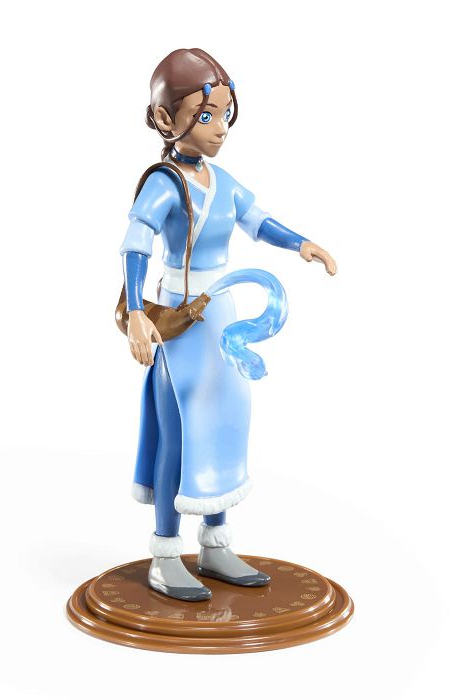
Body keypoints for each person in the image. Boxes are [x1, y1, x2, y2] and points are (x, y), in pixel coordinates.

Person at [119, 48, 337, 601]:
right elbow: (136, 242)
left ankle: (215, 542)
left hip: (221, 316)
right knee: (178, 429)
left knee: (224, 422)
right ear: (166, 118)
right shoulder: (165, 184)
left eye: (223, 115)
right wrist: (138, 314)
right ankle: (166, 552)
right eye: (205, 115)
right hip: (181, 320)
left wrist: (302, 243)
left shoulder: (223, 181)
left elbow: (258, 221)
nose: (219, 128)